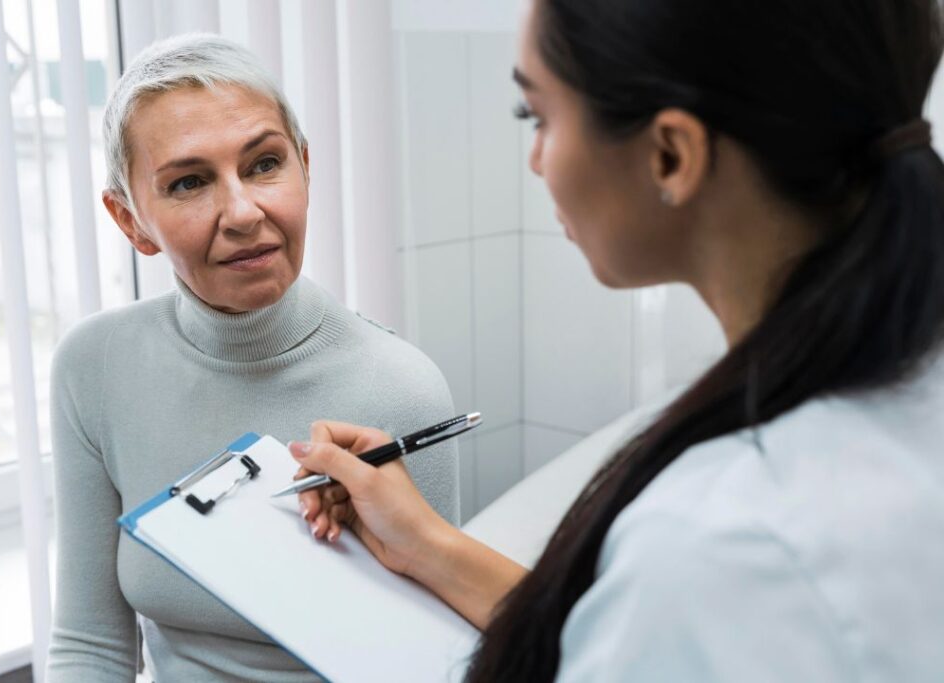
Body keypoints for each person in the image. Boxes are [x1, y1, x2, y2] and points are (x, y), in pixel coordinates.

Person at [291, 0, 944, 680]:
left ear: (670, 154)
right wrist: (426, 543)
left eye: (537, 117)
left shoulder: (718, 546)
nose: (538, 161)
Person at [46, 34, 459, 682]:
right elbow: (89, 646)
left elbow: (432, 661)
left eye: (264, 164)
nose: (242, 211)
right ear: (130, 222)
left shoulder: (400, 388)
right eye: (188, 181)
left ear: (305, 165)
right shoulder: (93, 368)